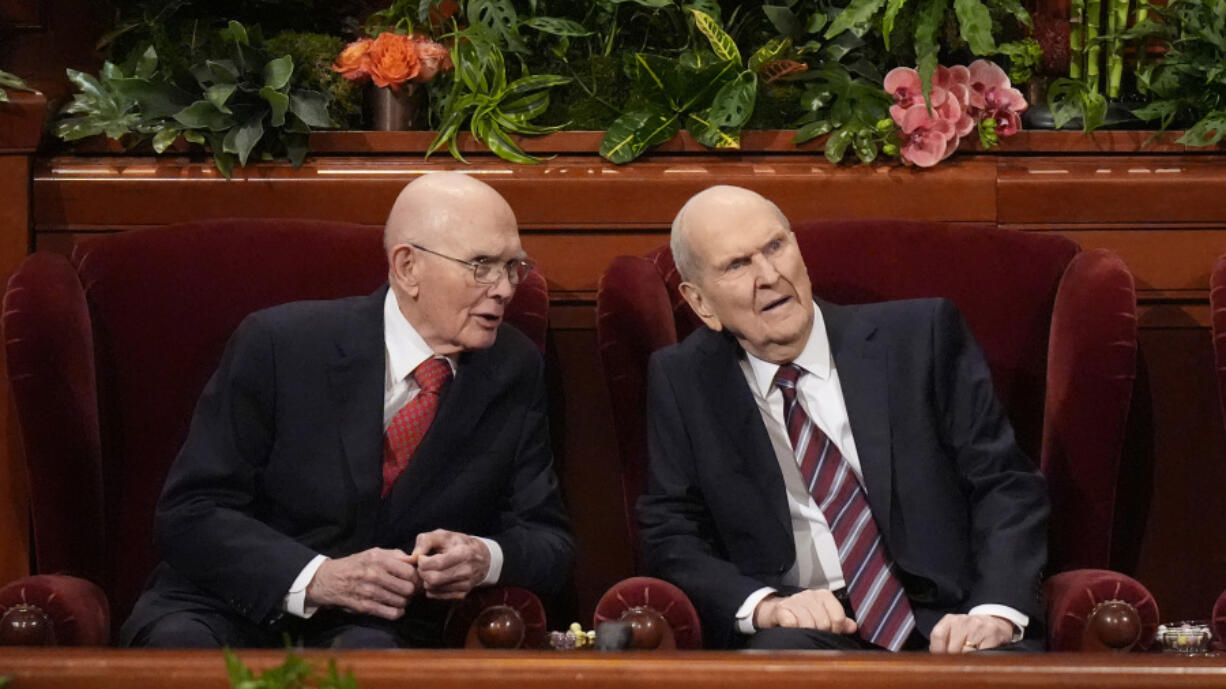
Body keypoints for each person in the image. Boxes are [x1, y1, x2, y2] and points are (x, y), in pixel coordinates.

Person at [121, 172, 573, 648]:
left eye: (513, 267)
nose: (504, 288)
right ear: (407, 267)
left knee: (372, 661)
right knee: (182, 652)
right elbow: (190, 512)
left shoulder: (512, 368)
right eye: (482, 265)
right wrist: (317, 578)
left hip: (376, 626)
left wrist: (485, 556)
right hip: (226, 604)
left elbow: (550, 543)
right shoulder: (281, 345)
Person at [638, 185, 1049, 652]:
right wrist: (764, 606)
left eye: (775, 247)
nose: (769, 275)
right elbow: (671, 530)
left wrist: (994, 611)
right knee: (775, 665)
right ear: (701, 304)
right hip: (805, 631)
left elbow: (1005, 484)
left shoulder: (921, 338)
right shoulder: (684, 380)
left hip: (952, 619)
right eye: (737, 265)